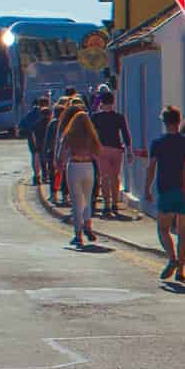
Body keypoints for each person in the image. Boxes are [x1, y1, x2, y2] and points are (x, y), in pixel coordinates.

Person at [145, 106, 185, 287]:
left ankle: (172, 258)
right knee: (183, 233)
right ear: (179, 120)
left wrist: (147, 189)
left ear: (164, 121)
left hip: (166, 189)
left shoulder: (158, 143)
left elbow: (151, 167)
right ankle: (181, 271)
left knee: (163, 229)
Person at [55, 94, 102, 249]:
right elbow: (97, 154)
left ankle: (78, 235)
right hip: (89, 167)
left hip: (74, 166)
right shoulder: (91, 136)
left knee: (76, 202)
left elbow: (61, 154)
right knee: (87, 199)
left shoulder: (69, 135)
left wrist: (60, 164)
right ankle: (88, 226)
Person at [88, 88, 131, 218]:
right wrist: (129, 150)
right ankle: (115, 203)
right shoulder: (119, 117)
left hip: (101, 149)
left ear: (102, 102)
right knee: (115, 177)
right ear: (113, 102)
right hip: (117, 149)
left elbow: (91, 134)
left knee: (104, 178)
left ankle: (106, 205)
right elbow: (125, 134)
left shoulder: (95, 117)